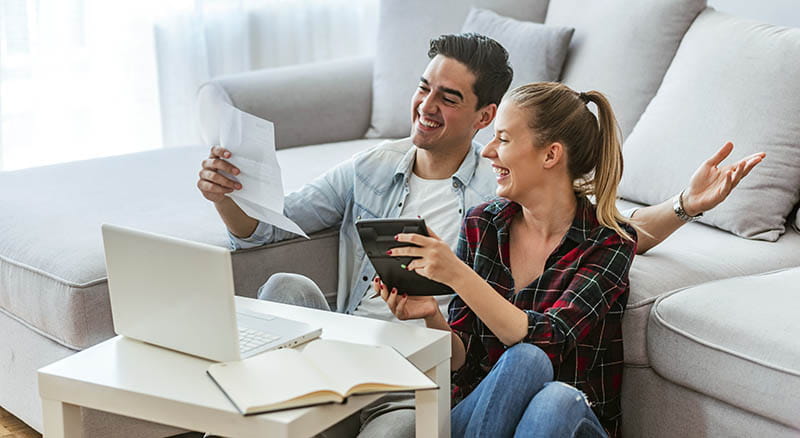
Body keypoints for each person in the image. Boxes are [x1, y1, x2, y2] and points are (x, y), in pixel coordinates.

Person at [196, 33, 763, 437]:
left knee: (539, 378)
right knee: (285, 286)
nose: (426, 105)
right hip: (401, 363)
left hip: (457, 385)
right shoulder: (472, 216)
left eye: (450, 97)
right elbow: (270, 228)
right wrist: (227, 197)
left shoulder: (518, 208)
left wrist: (686, 204)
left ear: (489, 119)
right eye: (424, 88)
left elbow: (608, 245)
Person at [375, 82, 633, 437]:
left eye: (504, 139)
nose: (487, 152)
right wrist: (431, 314)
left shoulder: (608, 243)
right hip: (485, 418)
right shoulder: (484, 224)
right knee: (523, 361)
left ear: (550, 155)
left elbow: (551, 340)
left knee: (551, 394)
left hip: (568, 422)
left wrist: (458, 275)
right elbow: (463, 365)